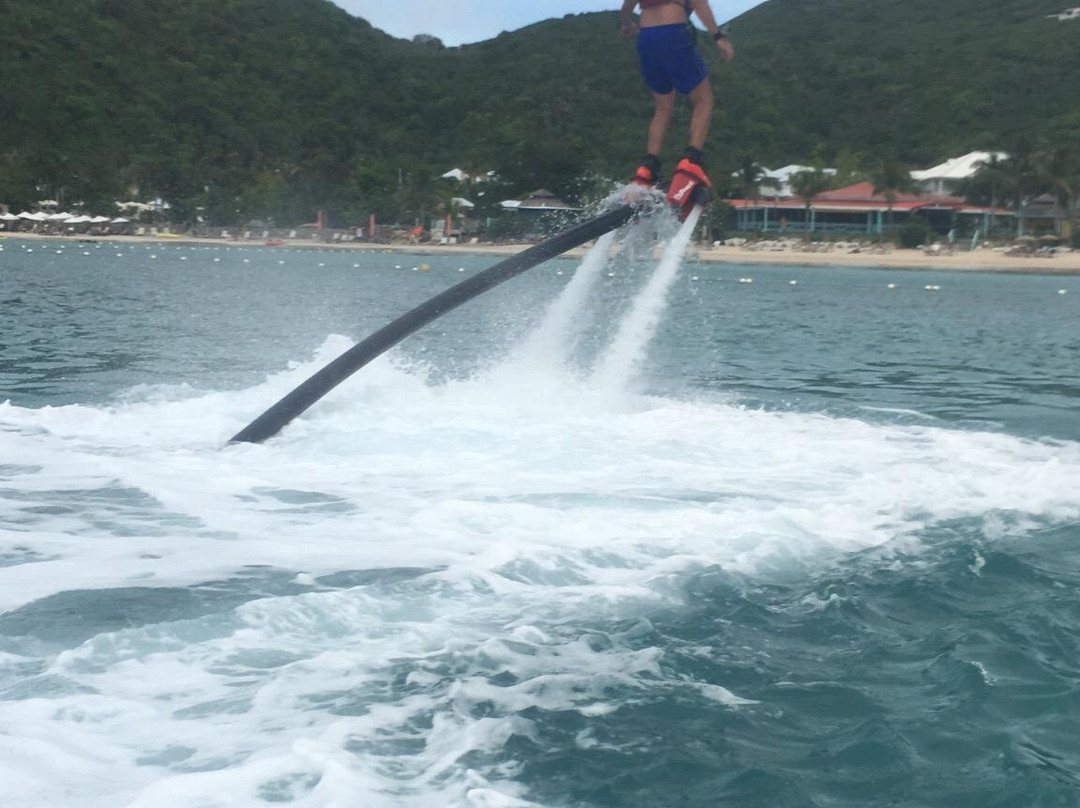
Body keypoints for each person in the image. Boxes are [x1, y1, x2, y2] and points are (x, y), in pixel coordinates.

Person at [620, 0, 734, 205]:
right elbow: (699, 3)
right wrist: (718, 36)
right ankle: (690, 162)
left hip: (646, 38)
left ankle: (647, 169)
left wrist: (626, 24)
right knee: (704, 101)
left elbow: (628, 5)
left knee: (663, 107)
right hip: (672, 34)